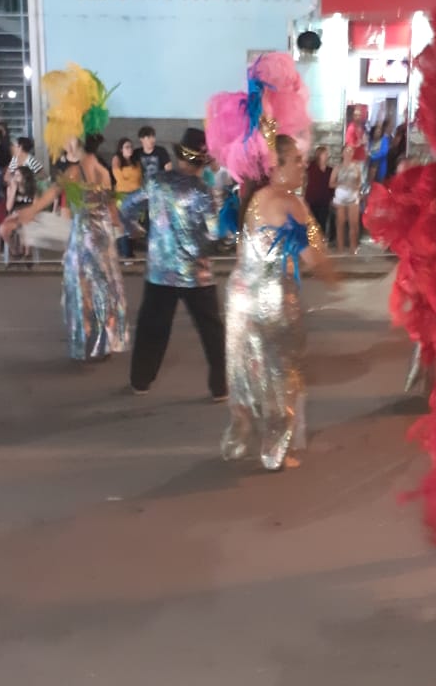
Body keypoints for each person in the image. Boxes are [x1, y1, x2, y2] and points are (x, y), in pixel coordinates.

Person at [221, 135, 336, 470]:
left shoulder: (254, 199)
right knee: (283, 373)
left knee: (244, 372)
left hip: (240, 295)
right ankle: (275, 452)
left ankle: (239, 437)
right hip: (271, 299)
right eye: (297, 160)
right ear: (277, 166)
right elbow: (312, 256)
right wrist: (333, 276)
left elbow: (242, 250)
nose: (303, 165)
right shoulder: (289, 203)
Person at [7, 64, 129, 362]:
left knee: (80, 288)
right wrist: (119, 225)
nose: (65, 140)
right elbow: (111, 206)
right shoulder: (103, 170)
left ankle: (88, 339)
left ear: (79, 138)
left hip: (84, 238)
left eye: (70, 135)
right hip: (103, 239)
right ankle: (103, 341)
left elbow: (51, 194)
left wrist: (26, 213)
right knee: (103, 287)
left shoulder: (75, 171)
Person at [120, 127, 226, 398]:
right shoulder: (203, 191)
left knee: (151, 329)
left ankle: (140, 381)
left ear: (180, 156)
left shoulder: (157, 182)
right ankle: (220, 387)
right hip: (196, 274)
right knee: (212, 332)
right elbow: (215, 233)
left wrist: (135, 230)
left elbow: (127, 206)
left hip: (160, 271)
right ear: (201, 161)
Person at [111, 137, 141, 258]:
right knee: (124, 224)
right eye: (127, 147)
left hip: (135, 195)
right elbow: (119, 178)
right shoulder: (117, 160)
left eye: (131, 147)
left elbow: (139, 178)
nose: (130, 149)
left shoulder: (136, 162)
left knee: (133, 225)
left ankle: (129, 251)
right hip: (123, 195)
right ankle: (126, 253)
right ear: (121, 149)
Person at [330, 145, 363, 253]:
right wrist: (342, 184)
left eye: (350, 151)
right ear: (342, 154)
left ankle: (353, 247)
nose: (348, 153)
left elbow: (359, 182)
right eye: (346, 151)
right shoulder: (337, 168)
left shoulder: (356, 166)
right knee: (340, 223)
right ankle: (340, 247)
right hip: (341, 197)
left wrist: (356, 187)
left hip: (353, 196)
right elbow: (331, 183)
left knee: (354, 224)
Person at [305, 144, 333, 234]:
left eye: (327, 154)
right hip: (312, 199)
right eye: (324, 153)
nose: (327, 155)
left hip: (324, 201)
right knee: (311, 224)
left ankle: (322, 241)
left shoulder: (330, 170)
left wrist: (332, 198)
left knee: (322, 224)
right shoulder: (312, 166)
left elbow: (331, 185)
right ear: (319, 155)